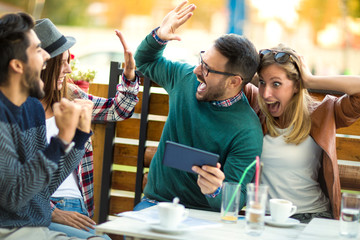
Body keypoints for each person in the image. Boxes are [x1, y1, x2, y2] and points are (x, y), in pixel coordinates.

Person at [133, 0, 263, 211]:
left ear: (234, 82)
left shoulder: (247, 131)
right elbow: (145, 62)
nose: (196, 71)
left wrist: (216, 190)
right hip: (155, 205)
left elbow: (234, 201)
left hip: (203, 219)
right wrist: (159, 36)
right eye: (202, 60)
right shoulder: (185, 78)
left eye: (207, 69)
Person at [33, 19, 139, 238]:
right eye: (62, 62)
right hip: (39, 207)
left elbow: (118, 110)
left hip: (77, 207)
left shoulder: (71, 96)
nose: (69, 69)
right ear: (44, 64)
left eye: (69, 60)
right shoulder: (16, 109)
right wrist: (52, 211)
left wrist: (129, 76)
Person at [0, 12, 97, 240]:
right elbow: (14, 197)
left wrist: (80, 137)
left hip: (35, 227)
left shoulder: (32, 108)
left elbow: (43, 188)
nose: (46, 55)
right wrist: (61, 139)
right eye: (37, 49)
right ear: (17, 65)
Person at [243, 45, 360, 223]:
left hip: (312, 217)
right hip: (264, 218)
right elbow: (227, 76)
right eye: (262, 82)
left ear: (297, 85)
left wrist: (311, 81)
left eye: (276, 84)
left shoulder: (323, 111)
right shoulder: (255, 106)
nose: (266, 94)